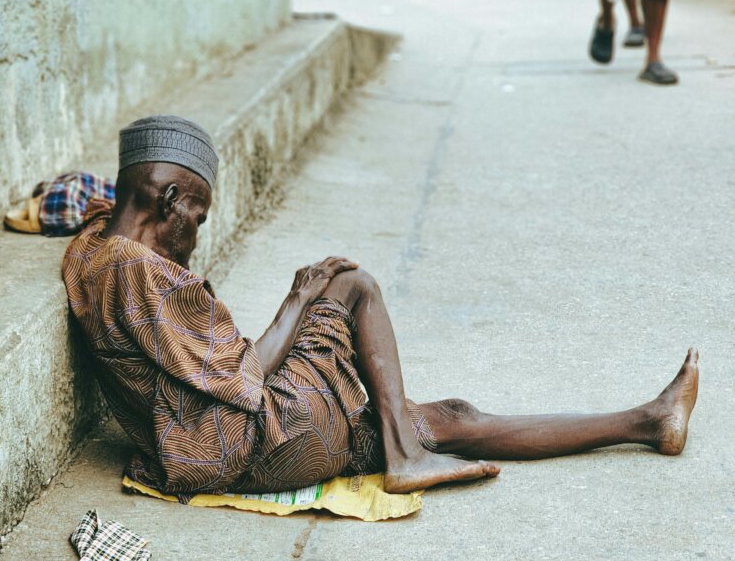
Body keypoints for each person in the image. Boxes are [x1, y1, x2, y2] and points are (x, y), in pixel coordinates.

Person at [63, 116, 700, 497]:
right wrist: (299, 296)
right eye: (196, 216)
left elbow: (96, 203)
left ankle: (648, 421)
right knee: (352, 284)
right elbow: (243, 375)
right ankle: (404, 458)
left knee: (450, 415)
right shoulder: (144, 276)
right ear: (170, 198)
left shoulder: (94, 249)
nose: (195, 234)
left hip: (230, 438)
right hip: (246, 440)